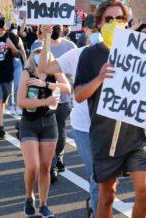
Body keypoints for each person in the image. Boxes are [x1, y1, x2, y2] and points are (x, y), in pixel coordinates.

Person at [74, 0, 146, 218]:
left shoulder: (138, 48)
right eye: (108, 19)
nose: (114, 22)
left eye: (119, 18)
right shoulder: (89, 55)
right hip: (105, 137)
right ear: (99, 23)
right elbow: (79, 95)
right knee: (107, 196)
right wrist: (100, 78)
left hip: (137, 134)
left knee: (144, 192)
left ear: (126, 21)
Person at [38, 27, 104, 218]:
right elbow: (44, 69)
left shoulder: (123, 53)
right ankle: (97, 210)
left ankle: (95, 203)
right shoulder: (78, 54)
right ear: (89, 30)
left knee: (109, 179)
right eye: (105, 24)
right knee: (97, 176)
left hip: (113, 126)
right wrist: (47, 38)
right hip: (85, 125)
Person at [17, 40, 70, 218]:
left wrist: (46, 85)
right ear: (32, 54)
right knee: (33, 167)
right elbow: (21, 102)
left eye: (44, 51)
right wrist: (44, 101)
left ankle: (44, 204)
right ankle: (28, 196)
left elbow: (67, 88)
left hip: (49, 123)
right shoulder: (27, 72)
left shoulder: (54, 72)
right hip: (29, 124)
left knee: (46, 167)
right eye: (38, 51)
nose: (41, 54)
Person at [48, 24, 77, 183]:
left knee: (60, 129)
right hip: (44, 97)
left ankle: (58, 155)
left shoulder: (70, 46)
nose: (55, 29)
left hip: (64, 96)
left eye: (57, 26)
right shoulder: (39, 46)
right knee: (50, 131)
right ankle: (52, 165)